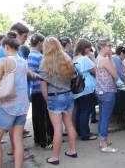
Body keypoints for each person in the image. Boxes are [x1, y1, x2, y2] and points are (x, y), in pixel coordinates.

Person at [0, 31, 36, 168]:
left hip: (7, 107)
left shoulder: (4, 61)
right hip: (23, 107)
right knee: (17, 139)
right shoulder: (23, 62)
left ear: (6, 46)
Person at [40, 37, 77, 165]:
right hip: (68, 95)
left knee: (57, 129)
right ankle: (73, 150)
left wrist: (47, 100)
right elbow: (73, 76)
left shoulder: (45, 62)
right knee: (69, 125)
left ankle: (55, 157)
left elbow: (43, 85)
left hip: (55, 97)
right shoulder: (67, 58)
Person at [28, 33, 54, 148]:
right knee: (44, 117)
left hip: (34, 90)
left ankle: (39, 139)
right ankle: (46, 141)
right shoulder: (39, 56)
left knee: (36, 117)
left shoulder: (30, 55)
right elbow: (45, 74)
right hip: (41, 90)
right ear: (39, 43)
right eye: (43, 43)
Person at [96, 37, 118, 153]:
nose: (111, 48)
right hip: (107, 92)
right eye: (109, 46)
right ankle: (104, 143)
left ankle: (102, 140)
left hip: (100, 91)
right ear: (102, 47)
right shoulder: (105, 60)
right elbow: (116, 75)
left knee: (102, 117)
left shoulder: (98, 58)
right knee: (105, 118)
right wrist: (111, 58)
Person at [73, 38, 97, 141]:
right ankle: (85, 134)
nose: (90, 50)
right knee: (85, 112)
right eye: (89, 48)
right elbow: (96, 71)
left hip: (77, 89)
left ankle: (80, 131)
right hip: (86, 88)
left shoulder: (74, 59)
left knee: (80, 111)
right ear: (84, 48)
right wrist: (92, 57)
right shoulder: (84, 59)